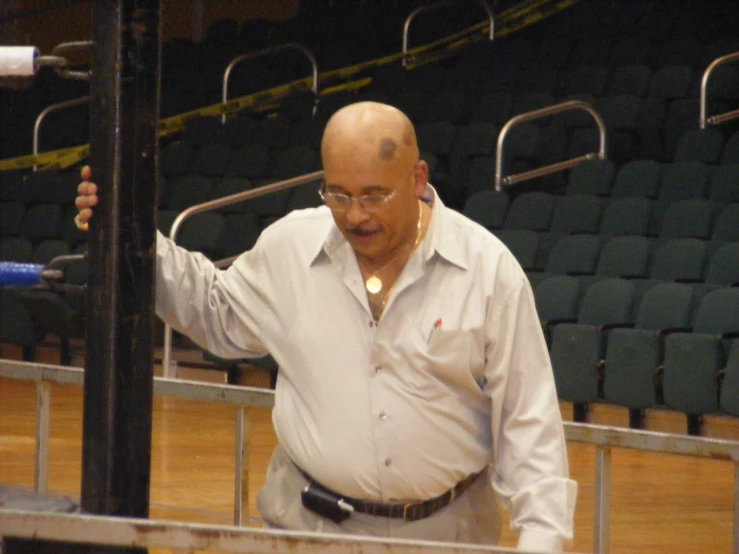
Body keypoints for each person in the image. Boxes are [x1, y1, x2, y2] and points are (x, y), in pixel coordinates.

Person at [76, 101, 577, 552]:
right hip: (305, 529)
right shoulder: (291, 246)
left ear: (418, 179)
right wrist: (128, 226)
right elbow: (213, 310)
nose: (354, 215)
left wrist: (543, 539)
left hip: (447, 535)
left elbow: (528, 426)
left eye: (374, 196)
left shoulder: (489, 271)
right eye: (337, 194)